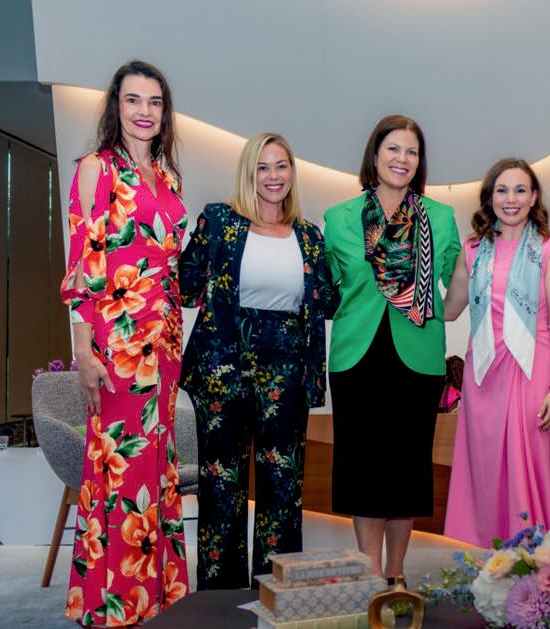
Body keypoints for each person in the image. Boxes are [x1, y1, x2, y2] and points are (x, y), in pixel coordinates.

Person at [60, 60, 188, 626]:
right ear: (117, 106)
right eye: (133, 99)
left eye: (154, 102)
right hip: (117, 346)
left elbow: (169, 266)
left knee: (156, 468)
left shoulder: (168, 176)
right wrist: (83, 351)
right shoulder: (96, 168)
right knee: (120, 469)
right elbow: (82, 266)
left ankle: (152, 600)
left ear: (164, 113)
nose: (144, 111)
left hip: (164, 346)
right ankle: (113, 605)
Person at [179, 133, 337, 588]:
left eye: (281, 166)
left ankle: (276, 590)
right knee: (221, 484)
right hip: (223, 370)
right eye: (263, 167)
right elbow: (186, 286)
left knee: (283, 489)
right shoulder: (219, 220)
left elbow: (327, 301)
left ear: (292, 173)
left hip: (287, 372)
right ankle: (220, 597)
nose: (273, 176)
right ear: (249, 173)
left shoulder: (309, 236)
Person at [324, 114, 460, 581]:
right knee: (363, 468)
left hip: (417, 356)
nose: (403, 159)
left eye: (412, 151)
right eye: (394, 149)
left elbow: (458, 287)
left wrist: (480, 269)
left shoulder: (440, 218)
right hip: (356, 356)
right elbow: (325, 288)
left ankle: (396, 575)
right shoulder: (339, 218)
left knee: (407, 468)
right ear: (375, 155)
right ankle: (369, 573)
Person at [443, 158, 550, 546]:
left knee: (531, 465)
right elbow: (449, 309)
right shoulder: (473, 250)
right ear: (489, 197)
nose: (511, 199)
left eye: (521, 190)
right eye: (502, 190)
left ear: (534, 197)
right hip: (483, 375)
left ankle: (539, 558)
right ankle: (485, 557)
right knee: (486, 469)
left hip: (533, 371)